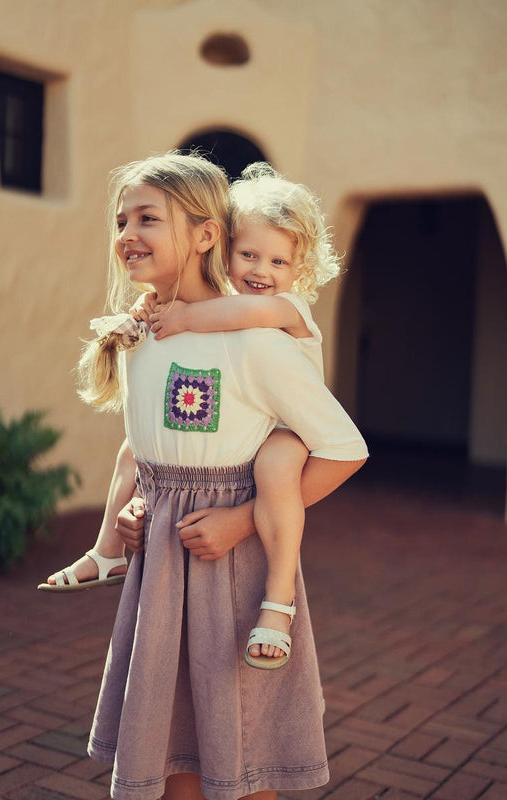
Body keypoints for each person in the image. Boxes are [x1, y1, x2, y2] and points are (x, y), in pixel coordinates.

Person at [50, 151, 368, 800]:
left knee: (242, 760)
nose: (127, 234)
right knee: (176, 759)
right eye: (121, 220)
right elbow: (150, 449)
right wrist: (139, 509)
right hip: (163, 571)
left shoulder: (255, 341)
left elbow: (342, 449)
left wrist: (239, 520)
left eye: (148, 218)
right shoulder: (144, 335)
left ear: (203, 235)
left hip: (235, 573)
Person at [131, 162, 339, 668]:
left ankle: (278, 602)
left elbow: (237, 316)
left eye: (278, 261)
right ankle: (106, 550)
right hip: (260, 425)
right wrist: (147, 306)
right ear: (225, 253)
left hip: (291, 431)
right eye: (248, 254)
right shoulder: (231, 308)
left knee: (274, 471)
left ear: (299, 271)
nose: (260, 271)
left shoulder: (286, 310)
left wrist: (178, 317)